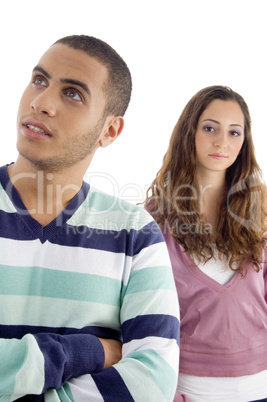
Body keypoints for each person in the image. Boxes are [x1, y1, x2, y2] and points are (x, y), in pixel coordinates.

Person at [0, 35, 180, 401]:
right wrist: (87, 352)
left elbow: (152, 383)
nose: (41, 102)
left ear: (109, 130)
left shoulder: (136, 234)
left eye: (73, 94)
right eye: (39, 80)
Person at [145, 85, 267, 402]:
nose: (221, 142)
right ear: (190, 132)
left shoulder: (261, 213)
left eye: (234, 132)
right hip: (189, 391)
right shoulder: (153, 222)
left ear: (244, 142)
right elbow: (139, 319)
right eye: (210, 127)